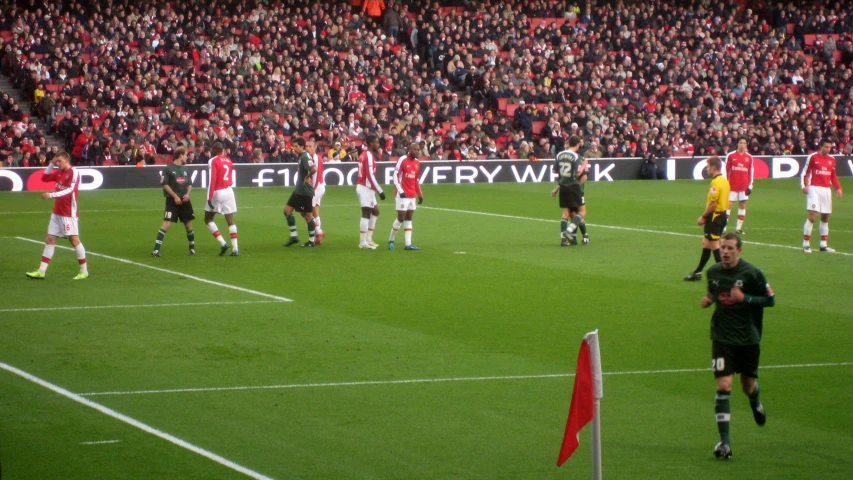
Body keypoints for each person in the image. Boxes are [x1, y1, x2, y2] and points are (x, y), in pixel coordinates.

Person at [700, 232, 775, 459]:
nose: (725, 251)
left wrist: (746, 299)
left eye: (730, 248)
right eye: (723, 247)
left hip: (748, 339)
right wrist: (710, 299)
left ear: (739, 251)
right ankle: (725, 443)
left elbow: (770, 300)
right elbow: (715, 292)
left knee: (747, 386)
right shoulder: (713, 272)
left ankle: (755, 400)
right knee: (723, 386)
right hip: (722, 338)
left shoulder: (753, 274)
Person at [26, 151, 89, 280]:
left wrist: (51, 194)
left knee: (74, 240)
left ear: (67, 160)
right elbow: (44, 178)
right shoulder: (59, 172)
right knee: (50, 239)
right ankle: (41, 271)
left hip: (68, 212)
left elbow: (70, 190)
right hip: (57, 211)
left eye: (59, 161)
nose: (57, 163)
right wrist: (51, 164)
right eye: (56, 161)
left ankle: (84, 271)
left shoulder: (73, 172)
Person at [685, 156, 730, 281]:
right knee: (706, 243)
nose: (707, 170)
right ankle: (698, 272)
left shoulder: (716, 182)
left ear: (714, 167)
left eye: (708, 167)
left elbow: (713, 203)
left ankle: (725, 274)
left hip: (715, 217)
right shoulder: (724, 181)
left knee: (715, 245)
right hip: (721, 215)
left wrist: (704, 217)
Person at [800, 138, 843, 253]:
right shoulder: (813, 157)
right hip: (814, 188)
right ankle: (806, 244)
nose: (828, 149)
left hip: (826, 190)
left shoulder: (832, 160)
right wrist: (804, 185)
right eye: (826, 147)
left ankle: (823, 245)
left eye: (830, 147)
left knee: (825, 217)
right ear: (821, 146)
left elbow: (833, 176)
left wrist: (838, 188)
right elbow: (805, 172)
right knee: (813, 216)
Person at [151, 147, 195, 257]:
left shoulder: (186, 169)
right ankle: (156, 250)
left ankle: (192, 249)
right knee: (167, 224)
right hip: (172, 201)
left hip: (185, 201)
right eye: (185, 155)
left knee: (188, 225)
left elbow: (189, 184)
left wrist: (187, 195)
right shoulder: (168, 168)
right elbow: (164, 184)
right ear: (180, 155)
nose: (186, 157)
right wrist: (175, 196)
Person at [550, 135, 589, 246]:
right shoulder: (576, 157)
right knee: (582, 211)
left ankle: (564, 239)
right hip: (573, 186)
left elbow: (554, 171)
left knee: (566, 213)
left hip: (563, 186)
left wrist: (558, 186)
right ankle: (569, 231)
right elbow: (578, 173)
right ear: (577, 144)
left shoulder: (559, 155)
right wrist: (583, 166)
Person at [205, 142, 239, 256]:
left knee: (208, 219)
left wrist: (209, 197)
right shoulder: (228, 160)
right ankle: (235, 249)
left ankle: (223, 243)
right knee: (230, 220)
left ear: (214, 150)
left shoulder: (213, 160)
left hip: (218, 191)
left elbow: (212, 179)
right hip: (229, 190)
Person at [283, 138, 318, 247]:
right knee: (287, 211)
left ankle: (312, 240)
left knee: (307, 215)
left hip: (305, 192)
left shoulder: (305, 156)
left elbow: (314, 168)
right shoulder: (301, 157)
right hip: (298, 191)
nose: (294, 148)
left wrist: (306, 177)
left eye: (296, 146)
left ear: (302, 146)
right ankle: (294, 236)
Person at [388, 143, 424, 251]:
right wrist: (400, 190)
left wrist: (420, 194)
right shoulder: (402, 160)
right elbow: (395, 175)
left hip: (412, 194)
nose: (417, 151)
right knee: (401, 217)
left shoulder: (417, 163)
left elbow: (416, 180)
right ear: (409, 149)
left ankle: (408, 244)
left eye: (418, 150)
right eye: (415, 149)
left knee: (409, 217)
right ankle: (391, 240)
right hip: (402, 194)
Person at [356, 134, 386, 249]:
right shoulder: (367, 155)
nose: (378, 145)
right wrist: (380, 190)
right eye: (376, 143)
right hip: (365, 187)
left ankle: (368, 239)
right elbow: (369, 175)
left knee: (376, 211)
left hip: (368, 187)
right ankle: (362, 243)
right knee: (366, 213)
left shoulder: (365, 155)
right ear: (371, 144)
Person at [725, 138, 754, 234]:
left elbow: (751, 172)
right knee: (728, 206)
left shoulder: (749, 157)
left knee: (742, 205)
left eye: (744, 143)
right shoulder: (731, 155)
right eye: (740, 142)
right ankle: (723, 228)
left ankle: (738, 228)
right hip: (732, 185)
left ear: (746, 145)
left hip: (744, 185)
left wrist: (750, 186)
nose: (742, 144)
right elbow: (726, 171)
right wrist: (725, 184)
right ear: (737, 144)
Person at [309, 139, 326, 245]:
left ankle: (318, 232)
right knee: (315, 210)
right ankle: (317, 238)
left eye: (310, 146)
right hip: (320, 186)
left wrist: (313, 189)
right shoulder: (312, 158)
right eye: (307, 146)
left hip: (317, 187)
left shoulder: (315, 158)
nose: (308, 148)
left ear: (315, 147)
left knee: (306, 211)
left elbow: (316, 175)